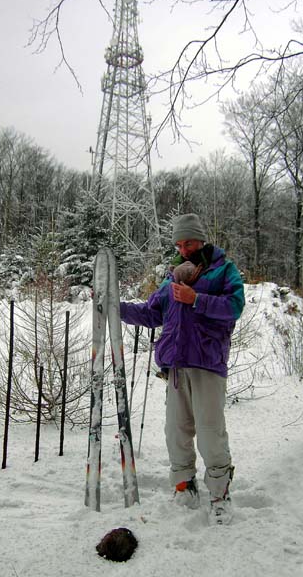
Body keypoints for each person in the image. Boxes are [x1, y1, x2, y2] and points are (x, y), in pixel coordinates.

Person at [120, 213, 245, 525]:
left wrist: (197, 299)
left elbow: (235, 307)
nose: (184, 248)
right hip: (175, 367)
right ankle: (183, 486)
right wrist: (114, 307)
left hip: (207, 365)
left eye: (188, 242)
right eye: (178, 243)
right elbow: (150, 314)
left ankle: (219, 494)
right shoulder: (172, 277)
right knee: (176, 431)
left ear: (201, 240)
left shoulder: (223, 271)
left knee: (210, 433)